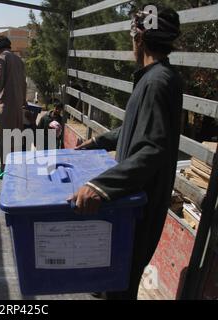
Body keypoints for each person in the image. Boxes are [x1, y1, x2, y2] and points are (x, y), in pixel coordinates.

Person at [67, 6, 183, 300]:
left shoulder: (157, 83)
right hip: (133, 205)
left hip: (140, 209)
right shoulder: (154, 77)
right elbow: (133, 129)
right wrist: (96, 143)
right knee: (111, 280)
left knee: (121, 286)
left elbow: (152, 148)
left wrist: (100, 186)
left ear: (139, 38)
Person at [0, 35, 27, 179]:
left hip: (6, 106)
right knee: (15, 139)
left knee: (3, 139)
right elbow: (24, 83)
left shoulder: (2, 58)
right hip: (17, 108)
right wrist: (24, 101)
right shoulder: (19, 61)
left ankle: (2, 170)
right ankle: (13, 167)